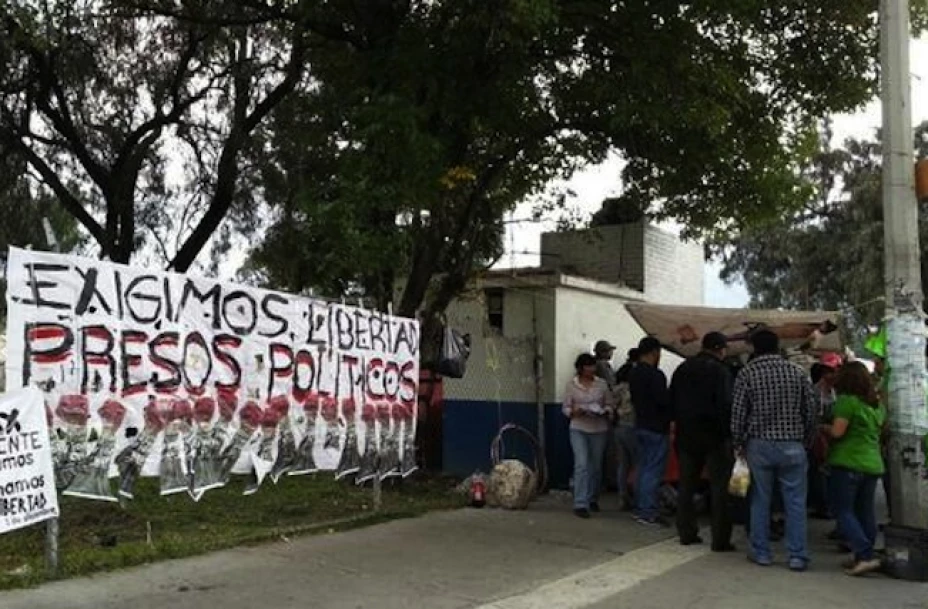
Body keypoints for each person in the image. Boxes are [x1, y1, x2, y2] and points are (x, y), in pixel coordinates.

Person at [731, 329, 817, 571]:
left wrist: (738, 443)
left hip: (759, 445)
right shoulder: (797, 372)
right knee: (796, 502)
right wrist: (807, 440)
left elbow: (738, 414)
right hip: (793, 444)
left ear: (754, 348)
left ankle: (761, 553)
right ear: (777, 346)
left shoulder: (747, 373)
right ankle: (797, 555)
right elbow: (810, 410)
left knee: (760, 500)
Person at [670, 332, 735, 551]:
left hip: (687, 435)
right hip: (715, 437)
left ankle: (686, 533)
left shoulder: (683, 369)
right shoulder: (720, 371)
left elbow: (672, 400)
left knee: (686, 486)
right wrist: (730, 436)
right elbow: (726, 405)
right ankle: (720, 540)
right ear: (720, 349)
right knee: (719, 489)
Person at [822, 362, 886, 576]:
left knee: (842, 510)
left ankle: (865, 554)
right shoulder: (875, 405)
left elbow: (838, 433)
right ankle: (863, 556)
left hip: (847, 462)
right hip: (872, 463)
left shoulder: (846, 402)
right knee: (865, 511)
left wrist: (822, 427)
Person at [563, 352, 614, 518]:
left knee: (596, 466)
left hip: (598, 428)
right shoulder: (571, 385)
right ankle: (580, 502)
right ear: (580, 368)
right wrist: (573, 412)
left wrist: (605, 411)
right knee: (582, 464)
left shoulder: (602, 384)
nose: (590, 370)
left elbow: (609, 404)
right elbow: (566, 407)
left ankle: (593, 497)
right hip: (578, 427)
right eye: (587, 367)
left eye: (592, 366)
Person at [629, 336, 671, 526]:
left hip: (640, 424)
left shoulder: (634, 373)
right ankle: (648, 511)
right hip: (656, 427)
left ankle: (640, 508)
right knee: (653, 471)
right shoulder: (656, 375)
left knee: (643, 468)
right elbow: (663, 402)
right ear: (655, 352)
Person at [808, 355, 840, 520]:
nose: (831, 375)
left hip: (835, 438)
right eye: (828, 371)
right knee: (820, 472)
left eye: (833, 371)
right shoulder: (815, 391)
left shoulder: (838, 392)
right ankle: (824, 505)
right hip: (820, 438)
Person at [613, 348, 640, 510]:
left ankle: (622, 497)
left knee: (623, 465)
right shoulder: (633, 387)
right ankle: (638, 498)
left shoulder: (618, 388)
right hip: (633, 426)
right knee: (638, 464)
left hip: (619, 427)